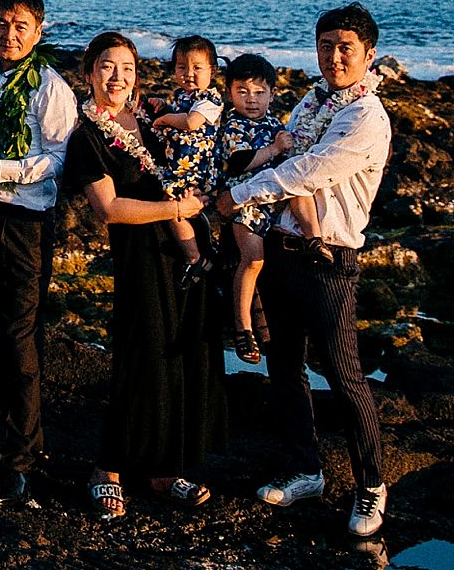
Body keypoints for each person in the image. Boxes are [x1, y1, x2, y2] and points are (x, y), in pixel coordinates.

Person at [218, 3, 396, 538]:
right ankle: (305, 469)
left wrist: (237, 194)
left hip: (329, 259)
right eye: (325, 46)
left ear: (368, 54)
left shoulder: (366, 117)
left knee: (344, 375)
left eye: (345, 48)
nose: (334, 57)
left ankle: (371, 486)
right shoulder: (311, 103)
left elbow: (308, 169)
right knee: (284, 367)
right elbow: (282, 153)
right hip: (282, 248)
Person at [73, 30, 223, 520]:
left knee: (184, 357)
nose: (117, 77)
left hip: (188, 246)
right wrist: (174, 206)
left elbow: (199, 146)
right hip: (140, 254)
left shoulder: (152, 117)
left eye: (127, 69)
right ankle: (108, 469)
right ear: (89, 72)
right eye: (107, 67)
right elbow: (110, 208)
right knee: (140, 358)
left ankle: (163, 468)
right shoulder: (88, 136)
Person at [0, 0, 77, 499]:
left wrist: (2, 168)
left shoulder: (49, 85)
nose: (8, 35)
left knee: (19, 334)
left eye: (20, 26)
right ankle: (11, 439)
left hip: (26, 220)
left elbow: (59, 159)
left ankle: (21, 458)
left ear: (39, 31)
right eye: (0, 24)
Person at [216, 52, 297, 363]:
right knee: (252, 261)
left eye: (260, 92)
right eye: (243, 91)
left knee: (267, 267)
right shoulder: (232, 124)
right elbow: (237, 163)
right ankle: (242, 329)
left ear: (273, 94)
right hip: (242, 202)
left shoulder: (276, 124)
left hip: (271, 206)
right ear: (229, 92)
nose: (251, 100)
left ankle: (264, 329)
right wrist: (275, 148)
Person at [146, 35, 224, 289]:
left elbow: (191, 122)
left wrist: (165, 119)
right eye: (182, 67)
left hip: (196, 170)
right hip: (180, 167)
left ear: (212, 71)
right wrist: (164, 105)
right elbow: (182, 112)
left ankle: (196, 258)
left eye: (197, 68)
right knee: (172, 207)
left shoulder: (211, 101)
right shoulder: (183, 95)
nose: (189, 73)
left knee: (172, 208)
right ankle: (198, 252)